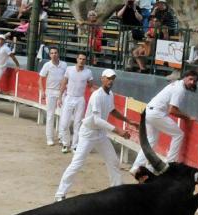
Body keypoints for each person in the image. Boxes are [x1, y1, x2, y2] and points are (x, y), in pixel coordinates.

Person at [55, 69, 137, 201]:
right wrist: (119, 131)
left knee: (113, 160)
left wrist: (128, 121)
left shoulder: (110, 94)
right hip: (88, 133)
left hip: (100, 134)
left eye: (112, 79)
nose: (111, 81)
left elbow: (112, 110)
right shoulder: (96, 95)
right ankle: (60, 194)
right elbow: (97, 120)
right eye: (108, 78)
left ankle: (117, 189)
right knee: (77, 163)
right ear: (102, 79)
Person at [129, 70, 198, 177]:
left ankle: (136, 167)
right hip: (156, 113)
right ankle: (170, 164)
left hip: (148, 111)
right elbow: (172, 110)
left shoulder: (176, 84)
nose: (192, 82)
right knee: (179, 134)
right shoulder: (180, 89)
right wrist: (188, 117)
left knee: (151, 140)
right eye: (190, 79)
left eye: (194, 81)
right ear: (185, 77)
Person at [57, 52, 94, 153]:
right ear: (77, 59)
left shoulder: (88, 72)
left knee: (77, 124)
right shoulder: (69, 69)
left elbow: (91, 87)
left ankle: (75, 146)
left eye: (83, 59)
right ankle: (65, 143)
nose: (81, 61)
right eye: (80, 59)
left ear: (85, 61)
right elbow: (64, 83)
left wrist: (99, 93)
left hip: (80, 99)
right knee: (64, 123)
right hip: (69, 97)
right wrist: (60, 97)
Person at [38, 46, 68, 146]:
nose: (54, 55)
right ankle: (49, 138)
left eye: (55, 53)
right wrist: (42, 91)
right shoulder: (47, 65)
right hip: (50, 92)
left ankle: (61, 137)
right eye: (52, 53)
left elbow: (66, 79)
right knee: (50, 115)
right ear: (49, 54)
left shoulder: (64, 65)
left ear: (58, 54)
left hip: (61, 92)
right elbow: (40, 79)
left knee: (63, 115)